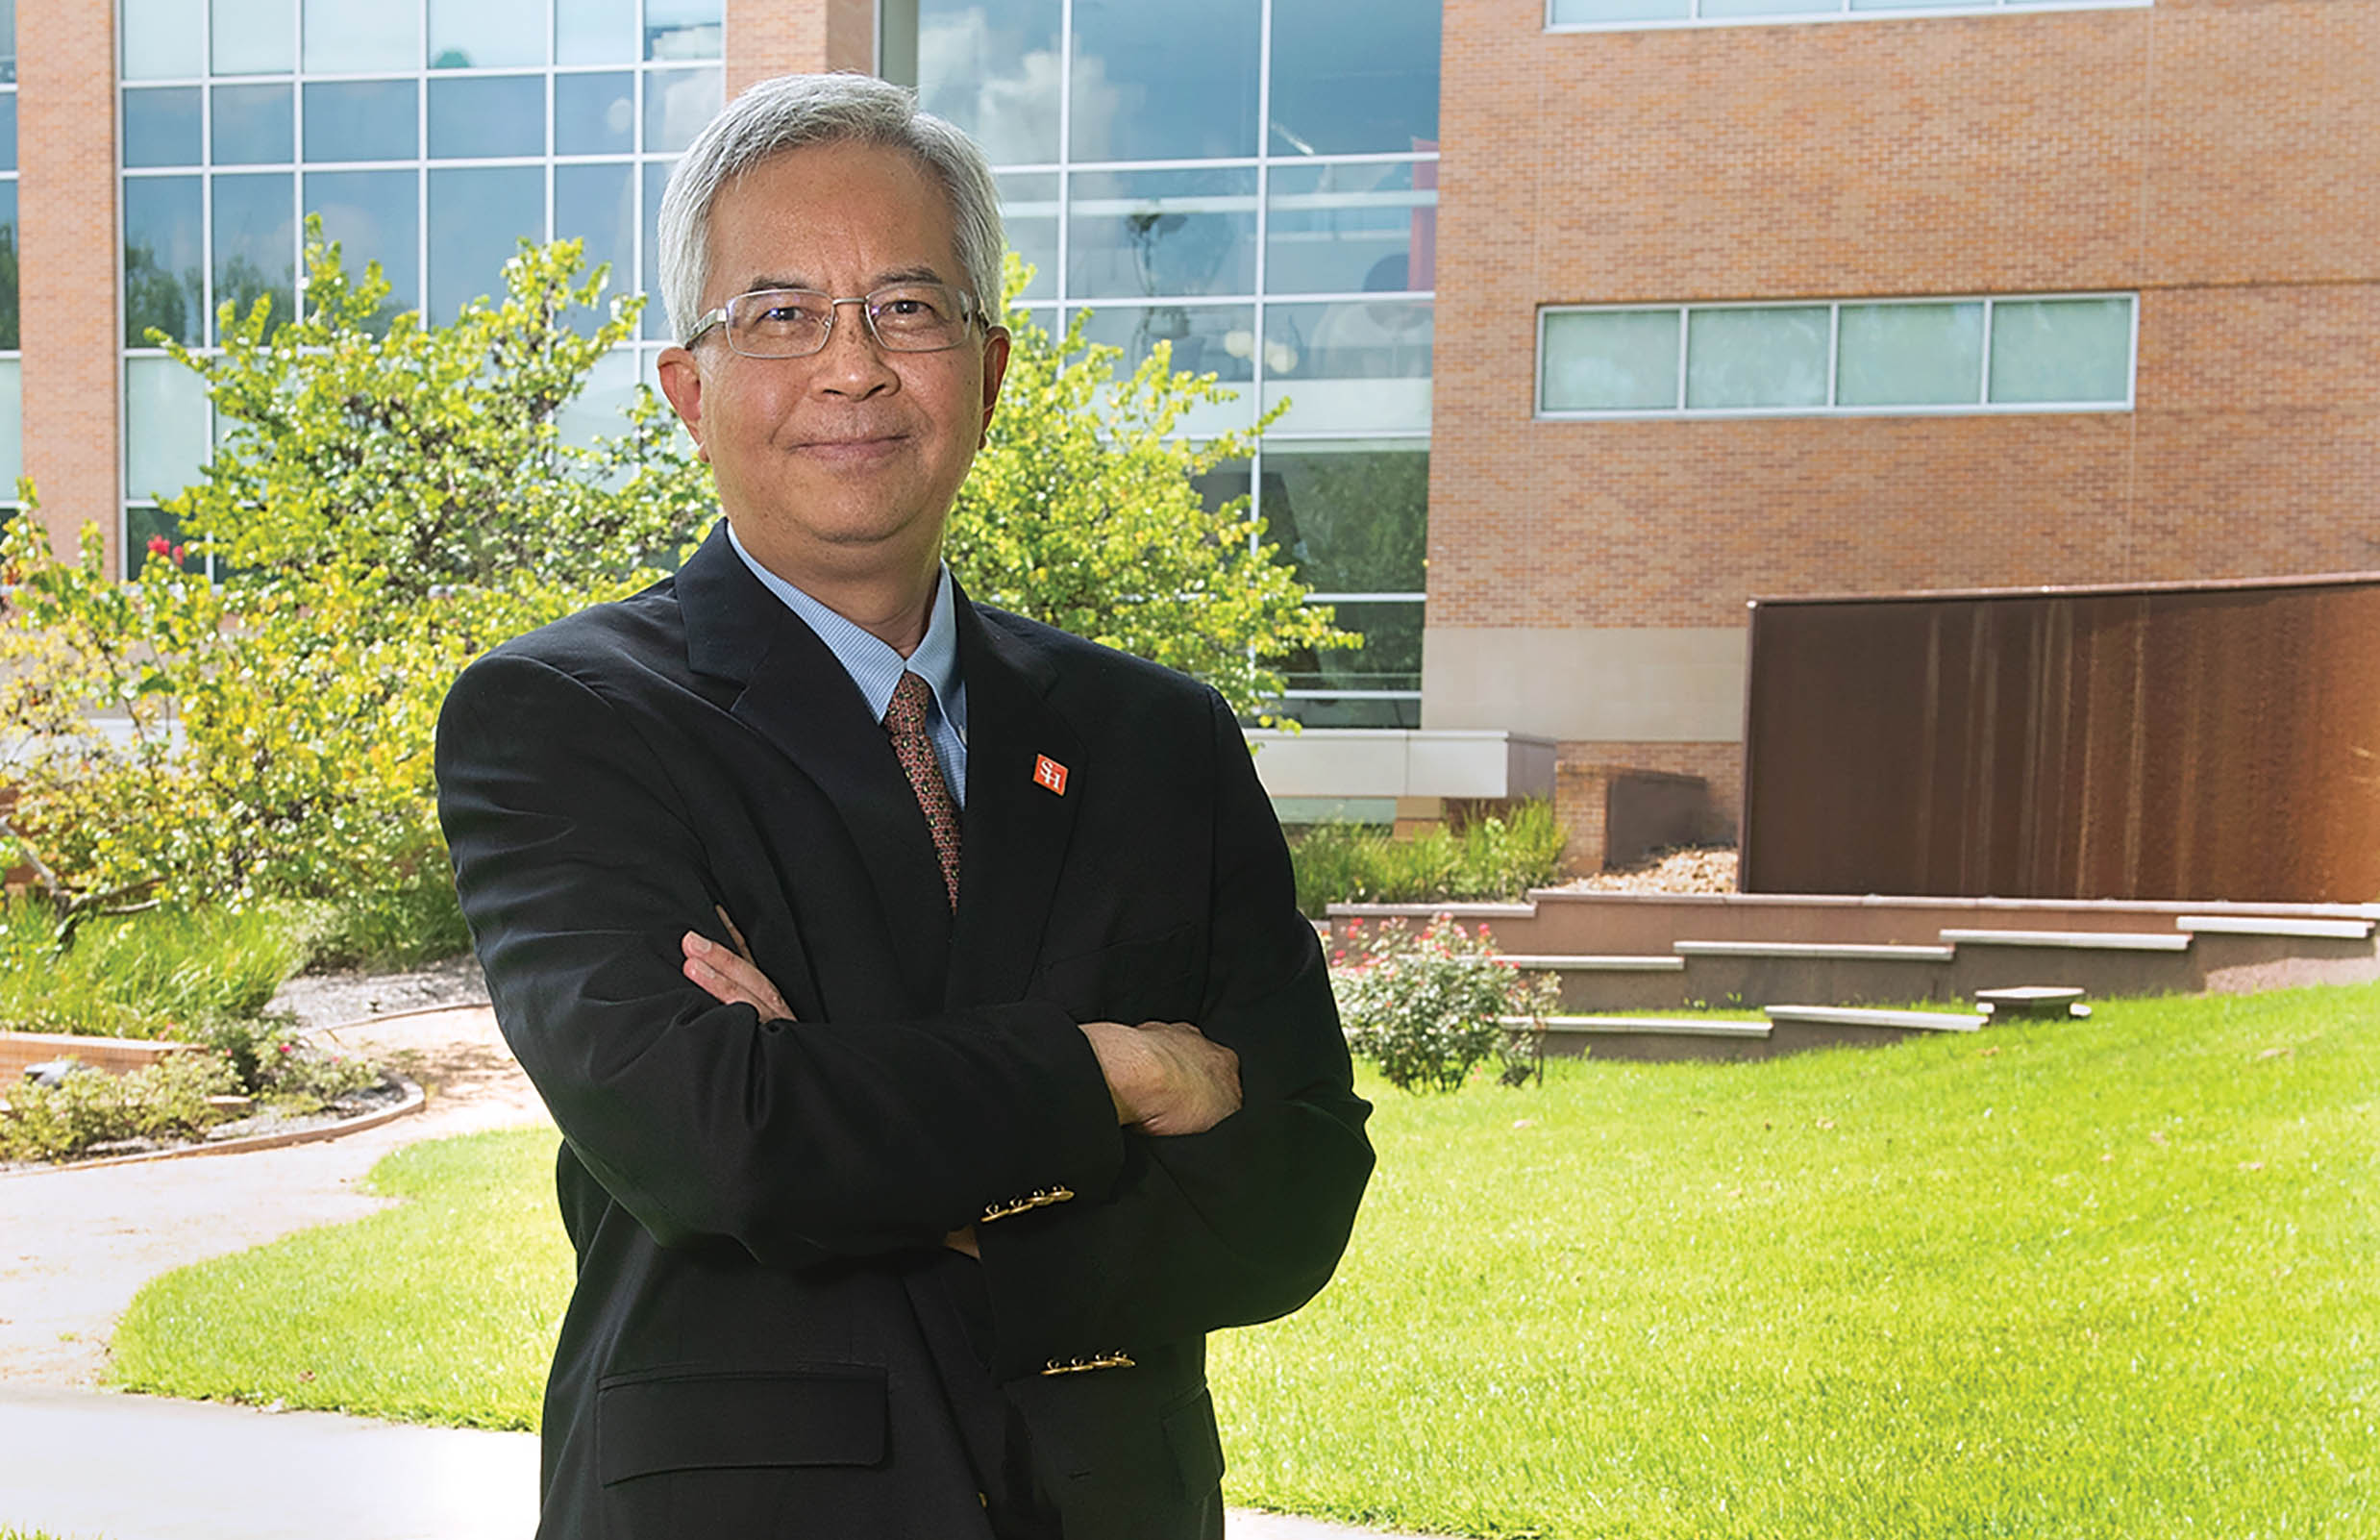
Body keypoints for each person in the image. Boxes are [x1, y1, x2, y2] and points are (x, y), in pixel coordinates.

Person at [434, 71, 1374, 1540]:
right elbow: (716, 1142)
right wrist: (1114, 1076)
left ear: (989, 372)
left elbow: (1297, 1193)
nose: (853, 368)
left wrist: (853, 1118)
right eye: (782, 313)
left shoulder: (1158, 739)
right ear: (690, 389)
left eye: (908, 309)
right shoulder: (565, 720)